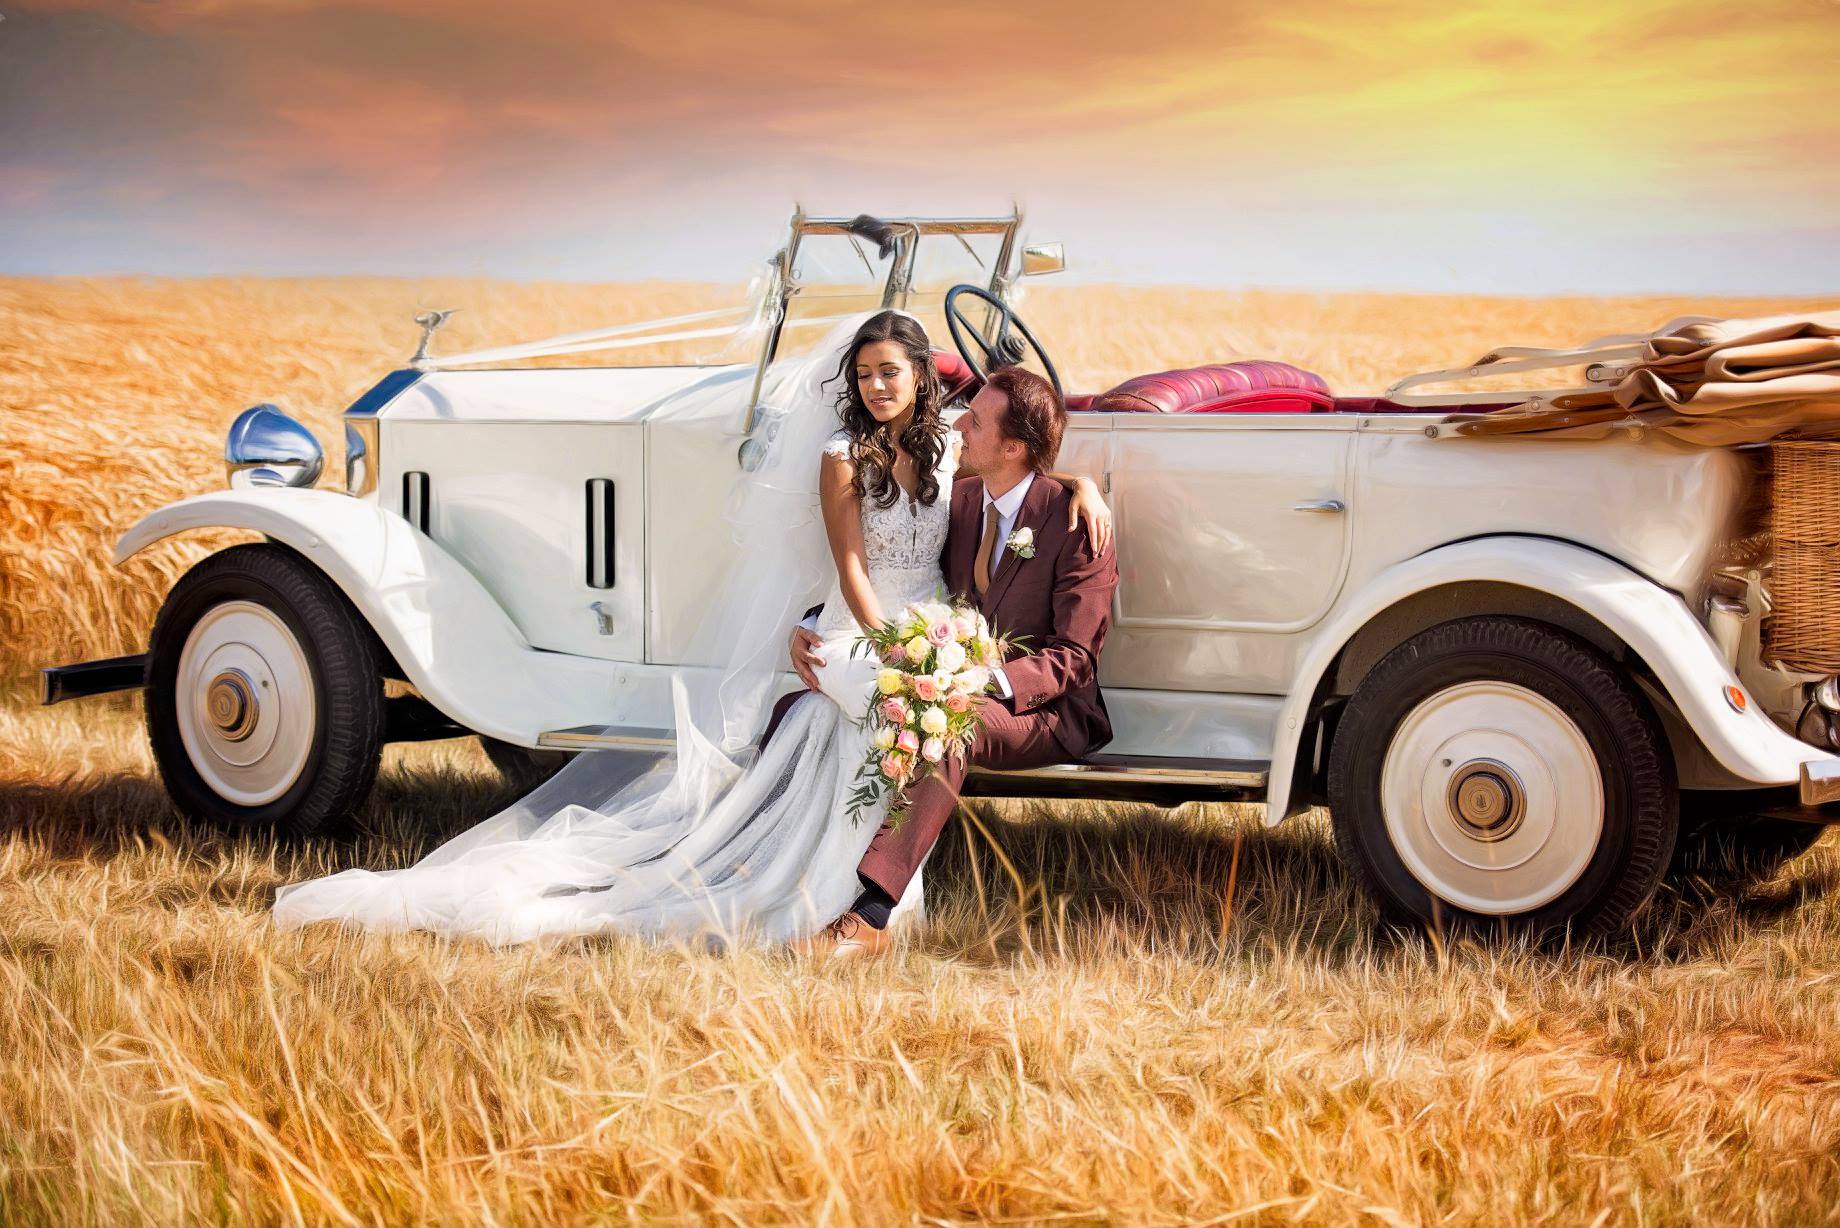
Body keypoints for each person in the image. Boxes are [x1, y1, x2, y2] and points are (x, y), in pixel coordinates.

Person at [270, 309, 1111, 949]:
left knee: (878, 711)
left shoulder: (948, 455)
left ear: (924, 378)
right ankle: (811, 887)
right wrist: (883, 644)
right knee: (856, 698)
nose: (876, 387)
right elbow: (852, 565)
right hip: (877, 622)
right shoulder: (841, 458)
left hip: (929, 624)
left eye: (891, 372)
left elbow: (1013, 472)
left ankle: (857, 899)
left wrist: (1076, 484)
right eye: (863, 375)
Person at [773, 362, 1120, 961]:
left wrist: (976, 679)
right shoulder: (960, 497)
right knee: (802, 709)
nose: (961, 423)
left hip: (1044, 709)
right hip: (949, 682)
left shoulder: (1075, 524)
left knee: (949, 731)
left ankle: (870, 915)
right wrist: (813, 623)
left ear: (1012, 446)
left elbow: (1075, 659)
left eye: (978, 420)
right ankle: (775, 862)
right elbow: (896, 570)